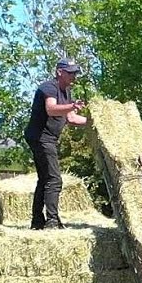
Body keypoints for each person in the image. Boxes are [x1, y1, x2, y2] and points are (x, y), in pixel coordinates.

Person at [24, 58, 88, 229]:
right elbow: (51, 109)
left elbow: (72, 118)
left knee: (44, 179)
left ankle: (37, 221)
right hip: (40, 137)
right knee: (54, 179)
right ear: (60, 72)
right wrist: (72, 105)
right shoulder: (49, 87)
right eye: (71, 72)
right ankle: (52, 221)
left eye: (75, 72)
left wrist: (94, 122)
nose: (74, 76)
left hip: (48, 138)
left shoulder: (66, 92)